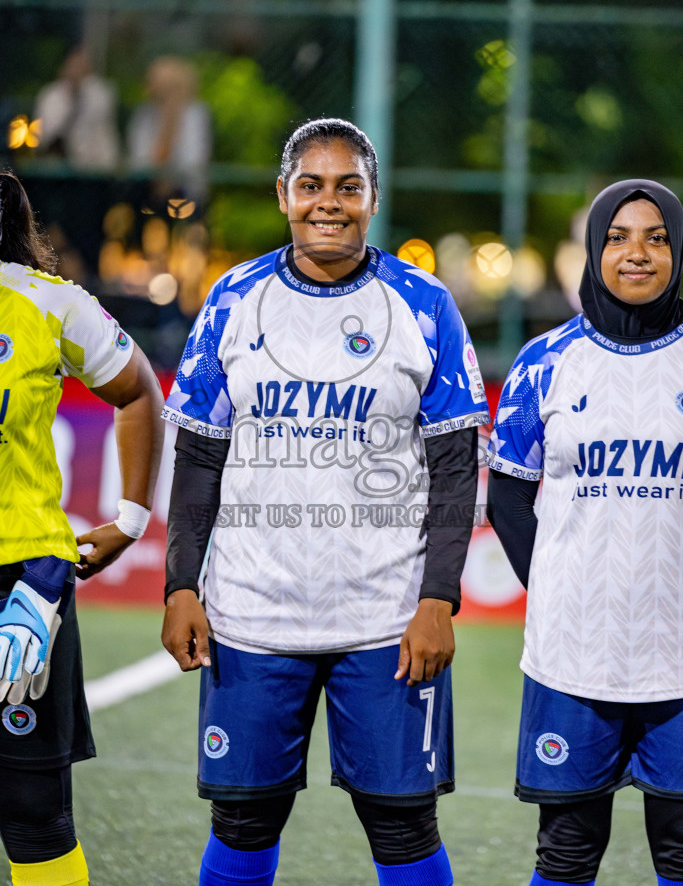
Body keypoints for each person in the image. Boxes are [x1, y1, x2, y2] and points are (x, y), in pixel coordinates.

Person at [161, 117, 489, 886]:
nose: (327, 203)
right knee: (242, 819)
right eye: (310, 186)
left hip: (384, 620)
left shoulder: (424, 303)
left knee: (402, 826)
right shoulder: (233, 296)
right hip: (250, 615)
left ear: (372, 199)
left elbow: (454, 466)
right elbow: (199, 455)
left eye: (348, 186)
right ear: (283, 196)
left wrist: (439, 598)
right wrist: (180, 584)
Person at [486, 179, 683, 886]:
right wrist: (558, 589)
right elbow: (508, 498)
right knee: (566, 853)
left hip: (678, 657)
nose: (637, 254)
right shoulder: (544, 360)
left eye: (656, 238)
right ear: (593, 249)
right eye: (617, 237)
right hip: (573, 657)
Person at [0, 170, 164, 886]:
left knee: (33, 811)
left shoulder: (47, 302)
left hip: (23, 583)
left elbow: (137, 392)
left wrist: (130, 519)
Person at [126, 55, 212, 219]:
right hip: (148, 188)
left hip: (185, 190)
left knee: (174, 198)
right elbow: (139, 161)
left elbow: (193, 160)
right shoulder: (144, 114)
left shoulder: (196, 114)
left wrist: (171, 120)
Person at [33, 46, 120, 171]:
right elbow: (46, 137)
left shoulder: (102, 94)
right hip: (59, 170)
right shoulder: (50, 96)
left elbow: (106, 134)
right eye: (74, 64)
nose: (77, 70)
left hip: (97, 170)